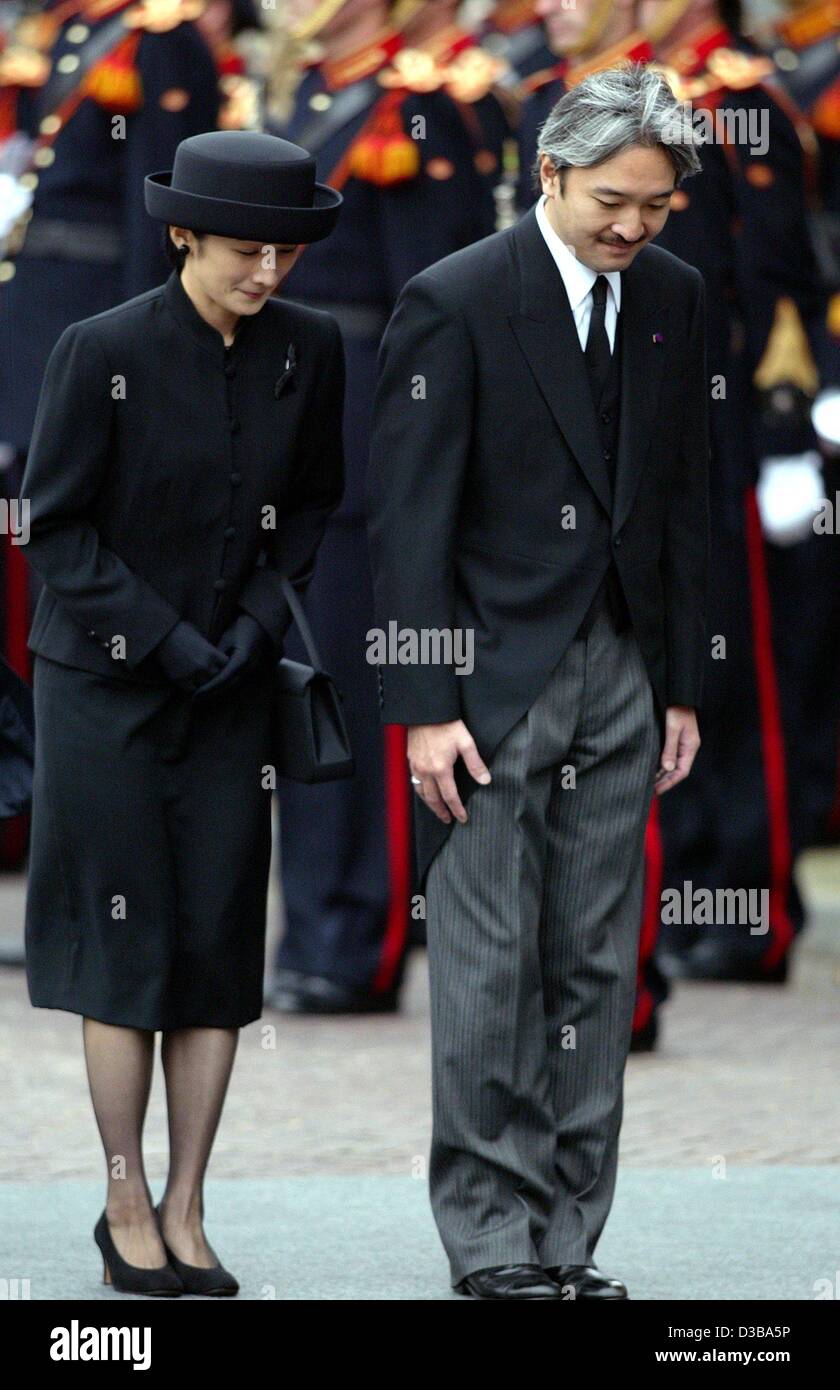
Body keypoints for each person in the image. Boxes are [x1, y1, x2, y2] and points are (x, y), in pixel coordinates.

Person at [367, 63, 708, 1299]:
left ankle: (571, 1239)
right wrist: (423, 707)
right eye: (614, 199)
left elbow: (682, 501)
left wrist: (679, 684)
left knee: (595, 965)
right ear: (550, 172)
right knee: (488, 964)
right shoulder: (453, 298)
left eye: (658, 207)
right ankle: (494, 1242)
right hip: (486, 689)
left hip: (624, 673)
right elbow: (404, 524)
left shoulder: (674, 297)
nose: (633, 227)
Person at [19, 129, 344, 1296]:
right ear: (182, 236)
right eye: (247, 251)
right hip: (106, 687)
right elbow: (53, 527)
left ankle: (188, 1204)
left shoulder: (309, 350)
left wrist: (255, 627)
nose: (269, 273)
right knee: (124, 953)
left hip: (232, 687)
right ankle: (122, 1203)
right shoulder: (95, 348)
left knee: (213, 946)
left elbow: (311, 509)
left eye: (285, 254)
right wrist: (162, 636)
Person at [266, 0, 497, 1015]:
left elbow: (431, 302)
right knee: (308, 690)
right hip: (304, 416)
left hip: (368, 431)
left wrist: (421, 451)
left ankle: (361, 935)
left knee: (365, 695)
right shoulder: (324, 95)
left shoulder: (415, 110)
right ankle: (316, 924)